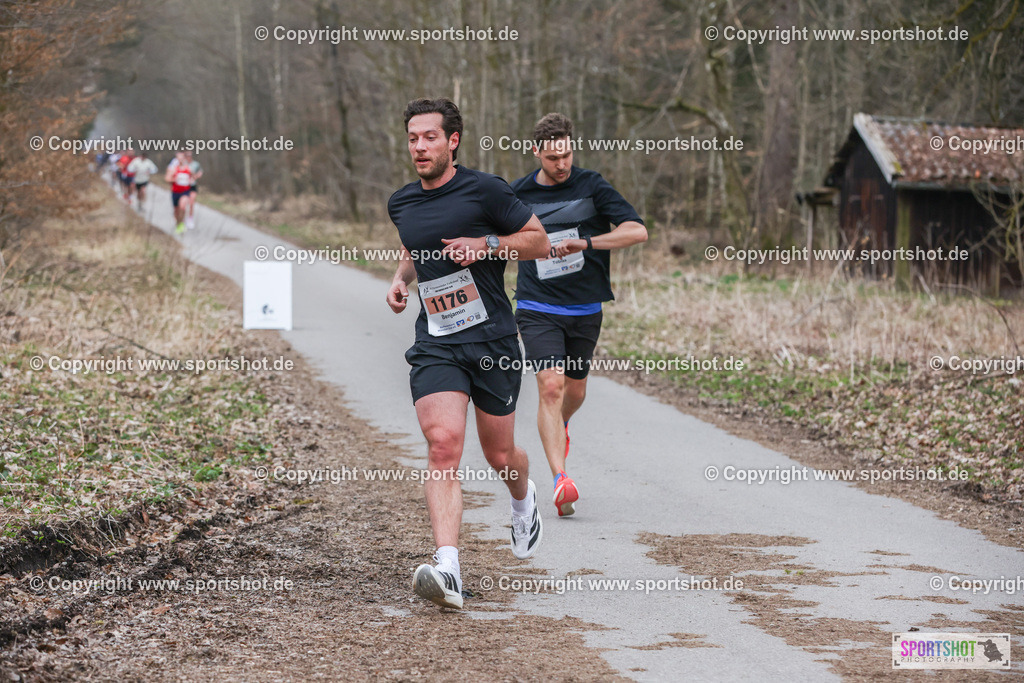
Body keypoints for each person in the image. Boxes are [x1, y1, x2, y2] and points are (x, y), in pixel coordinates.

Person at [386, 98, 550, 610]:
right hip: (437, 341)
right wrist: (401, 279)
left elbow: (539, 242)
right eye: (413, 138)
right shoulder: (401, 202)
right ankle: (448, 568)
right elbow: (414, 246)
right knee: (443, 444)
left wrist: (486, 245)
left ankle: (523, 500)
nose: (419, 147)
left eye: (429, 137)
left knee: (501, 454)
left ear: (452, 141)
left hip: (493, 341)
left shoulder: (486, 190)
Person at [511, 113, 647, 517]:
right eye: (553, 157)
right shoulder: (517, 194)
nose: (562, 164)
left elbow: (637, 231)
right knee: (551, 387)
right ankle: (560, 478)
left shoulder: (592, 185)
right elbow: (495, 240)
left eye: (567, 154)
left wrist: (586, 243)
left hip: (585, 307)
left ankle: (561, 426)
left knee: (575, 392)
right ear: (536, 152)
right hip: (537, 305)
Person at [165, 150, 194, 234]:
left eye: (182, 157)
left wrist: (190, 181)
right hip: (175, 192)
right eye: (179, 157)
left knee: (182, 207)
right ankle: (178, 223)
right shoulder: (174, 169)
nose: (180, 159)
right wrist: (174, 179)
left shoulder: (188, 169)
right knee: (176, 210)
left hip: (185, 192)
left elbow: (192, 178)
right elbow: (167, 179)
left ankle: (182, 223)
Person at [183, 150, 203, 229]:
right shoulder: (182, 164)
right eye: (187, 155)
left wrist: (196, 176)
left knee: (191, 203)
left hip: (192, 186)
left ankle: (190, 219)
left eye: (190, 155)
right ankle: (182, 219)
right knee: (184, 204)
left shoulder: (196, 164)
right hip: (184, 186)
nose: (188, 156)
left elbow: (200, 172)